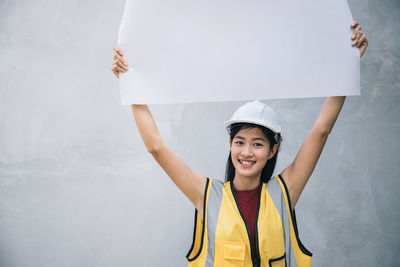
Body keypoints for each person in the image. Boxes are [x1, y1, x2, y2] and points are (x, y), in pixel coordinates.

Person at [110, 22, 368, 267]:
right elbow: (156, 147)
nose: (246, 152)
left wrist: (348, 63)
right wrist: (131, 84)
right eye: (239, 142)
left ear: (272, 151)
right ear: (230, 145)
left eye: (257, 144)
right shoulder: (206, 195)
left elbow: (321, 131)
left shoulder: (284, 193)